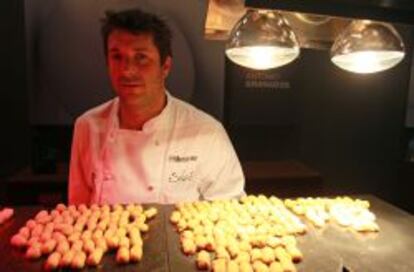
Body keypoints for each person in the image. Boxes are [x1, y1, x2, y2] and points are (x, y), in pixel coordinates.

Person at [68, 8, 245, 205]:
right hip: (104, 236)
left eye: (141, 57)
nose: (127, 71)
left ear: (165, 67)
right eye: (117, 57)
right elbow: (78, 213)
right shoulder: (87, 127)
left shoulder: (207, 132)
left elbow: (230, 212)